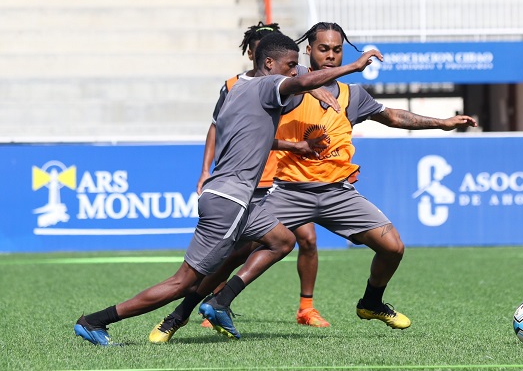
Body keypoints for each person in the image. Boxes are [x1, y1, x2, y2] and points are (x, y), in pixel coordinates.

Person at [144, 22, 478, 342]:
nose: (331, 55)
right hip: (288, 190)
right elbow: (251, 118)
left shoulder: (352, 94)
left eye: (336, 50)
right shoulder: (287, 88)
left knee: (393, 247)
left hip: (337, 192)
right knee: (231, 254)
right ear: (309, 50)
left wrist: (442, 122)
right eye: (323, 49)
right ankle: (179, 316)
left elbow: (391, 116)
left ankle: (370, 303)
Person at [74, 32, 383, 345]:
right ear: (268, 63)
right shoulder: (267, 85)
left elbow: (257, 129)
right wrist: (354, 66)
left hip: (238, 199)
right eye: (290, 65)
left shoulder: (238, 88)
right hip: (229, 200)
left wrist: (295, 144)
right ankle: (96, 321)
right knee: (183, 281)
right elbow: (301, 83)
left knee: (281, 240)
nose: (294, 71)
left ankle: (220, 303)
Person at [191, 21, 330, 331]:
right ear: (254, 54)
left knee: (305, 238)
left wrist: (317, 90)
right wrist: (205, 170)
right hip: (244, 180)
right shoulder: (233, 86)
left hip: (279, 176)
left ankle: (306, 308)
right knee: (232, 250)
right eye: (253, 47)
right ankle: (211, 306)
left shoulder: (284, 80)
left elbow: (304, 80)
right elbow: (218, 128)